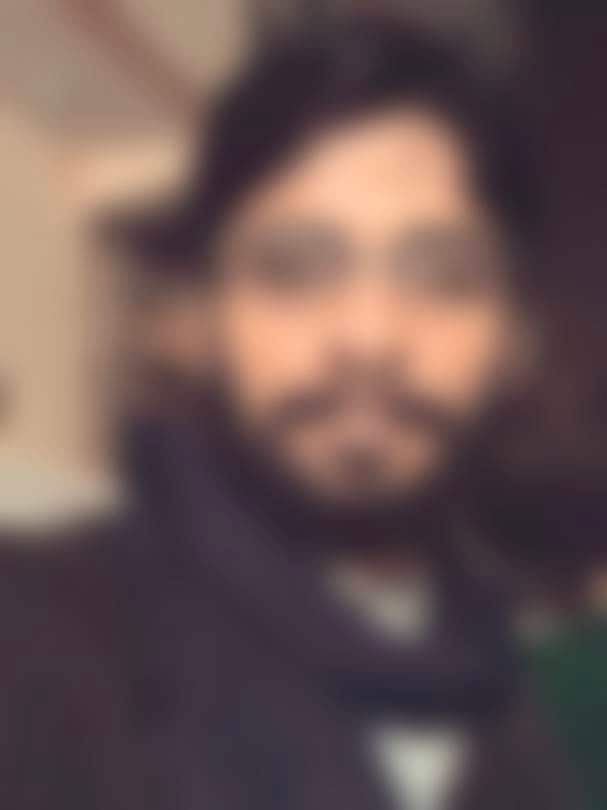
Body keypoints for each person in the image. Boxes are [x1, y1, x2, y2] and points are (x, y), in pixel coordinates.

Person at [1, 18, 578, 810]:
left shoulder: (521, 702)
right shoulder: (31, 638)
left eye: (442, 274)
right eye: (295, 268)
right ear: (195, 321)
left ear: (514, 340)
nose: (368, 336)